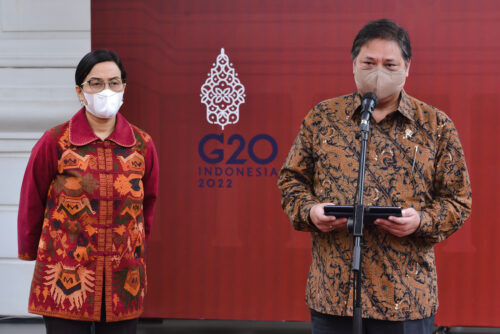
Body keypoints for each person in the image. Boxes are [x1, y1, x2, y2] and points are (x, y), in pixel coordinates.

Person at [278, 19, 471, 334]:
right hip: (334, 295)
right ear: (354, 65)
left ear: (406, 68)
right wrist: (311, 212)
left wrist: (420, 221)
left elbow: (458, 200)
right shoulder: (323, 118)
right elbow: (292, 182)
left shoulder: (435, 125)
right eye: (369, 63)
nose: (378, 72)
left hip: (405, 296)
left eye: (389, 64)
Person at [17, 50, 159, 334]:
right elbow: (31, 199)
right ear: (80, 91)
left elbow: (149, 204)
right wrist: (29, 248)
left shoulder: (142, 145)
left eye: (114, 82)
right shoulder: (55, 141)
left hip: (123, 277)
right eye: (95, 83)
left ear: (124, 88)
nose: (106, 90)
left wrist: (135, 248)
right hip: (65, 274)